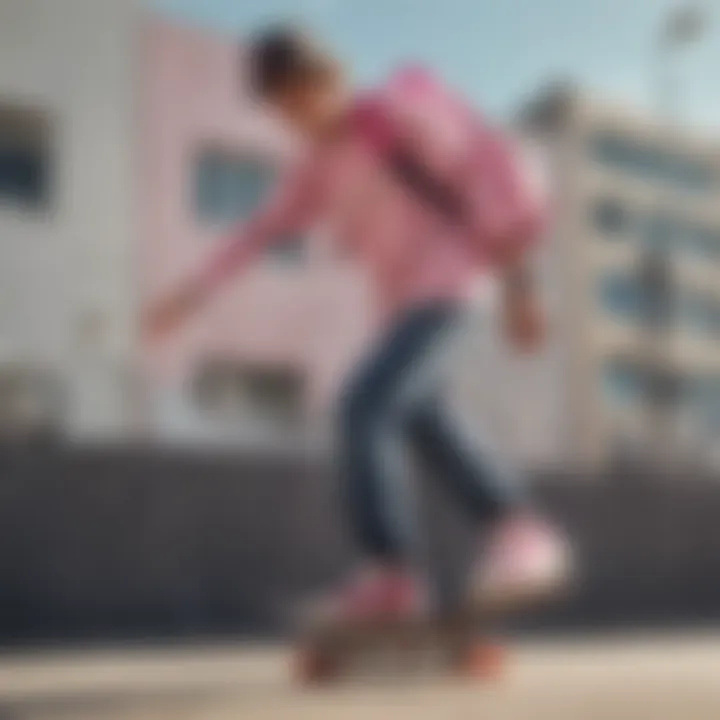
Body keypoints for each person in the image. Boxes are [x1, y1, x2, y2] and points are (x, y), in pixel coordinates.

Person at [145, 27, 572, 628]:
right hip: (400, 307)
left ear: (332, 80)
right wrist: (189, 296)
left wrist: (521, 287)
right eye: (283, 110)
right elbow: (257, 233)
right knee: (429, 425)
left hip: (449, 284)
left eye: (304, 97)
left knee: (363, 407)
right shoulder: (314, 169)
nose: (299, 118)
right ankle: (525, 538)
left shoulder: (398, 112)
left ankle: (394, 576)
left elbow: (488, 169)